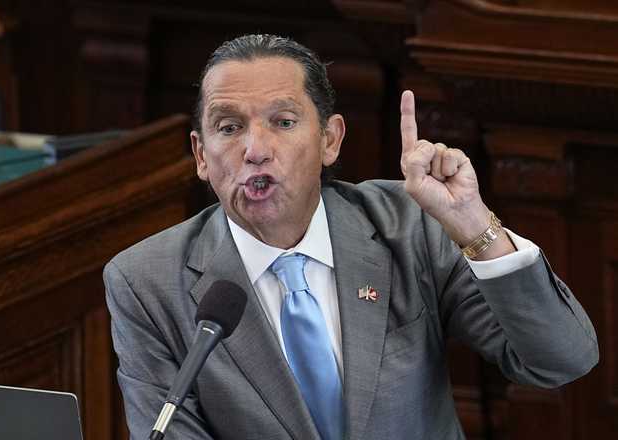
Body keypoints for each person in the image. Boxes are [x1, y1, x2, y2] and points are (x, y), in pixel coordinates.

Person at [104, 34, 598, 440]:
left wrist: (475, 226)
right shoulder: (146, 281)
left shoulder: (408, 226)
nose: (255, 149)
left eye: (283, 122)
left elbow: (560, 360)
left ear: (330, 140)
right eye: (229, 127)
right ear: (200, 155)